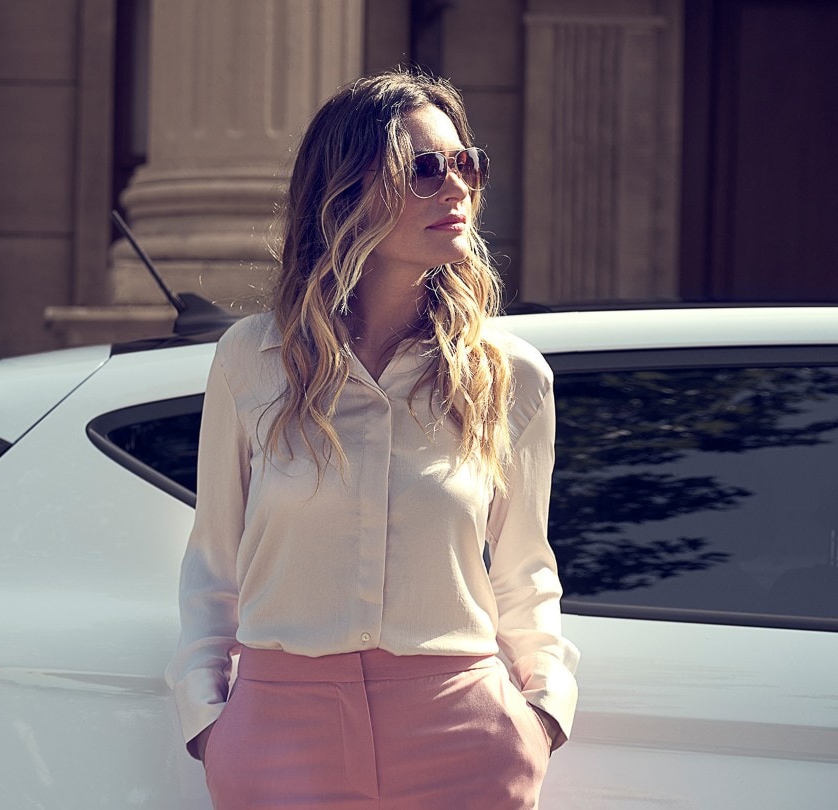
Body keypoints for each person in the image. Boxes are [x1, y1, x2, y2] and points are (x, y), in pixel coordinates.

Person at [165, 69, 579, 808]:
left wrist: (541, 713)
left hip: (465, 738)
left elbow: (525, 574)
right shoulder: (254, 360)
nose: (456, 188)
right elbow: (213, 565)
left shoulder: (508, 375)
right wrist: (209, 722)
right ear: (347, 192)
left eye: (467, 164)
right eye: (425, 169)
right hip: (279, 737)